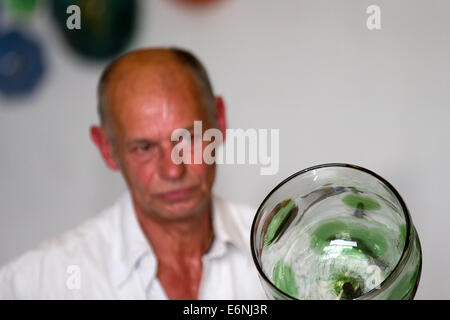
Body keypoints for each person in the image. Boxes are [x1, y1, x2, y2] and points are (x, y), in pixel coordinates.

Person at [0, 48, 266, 299]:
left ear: (219, 120)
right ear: (107, 149)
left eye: (188, 138)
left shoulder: (286, 250)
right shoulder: (38, 283)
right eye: (144, 148)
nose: (173, 170)